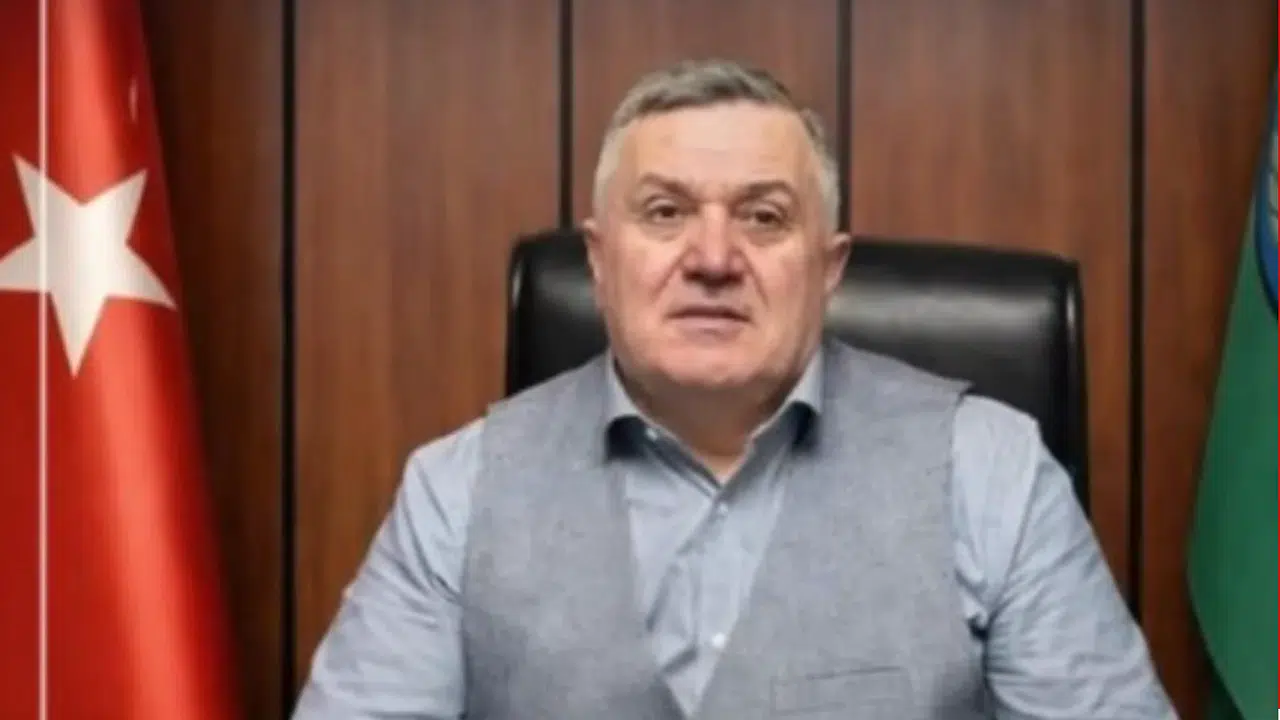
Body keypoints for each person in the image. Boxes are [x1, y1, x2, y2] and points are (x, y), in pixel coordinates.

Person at [292, 59, 1176, 719]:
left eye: (763, 217)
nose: (713, 259)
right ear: (600, 260)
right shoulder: (457, 491)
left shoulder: (989, 473)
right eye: (665, 212)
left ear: (828, 269)